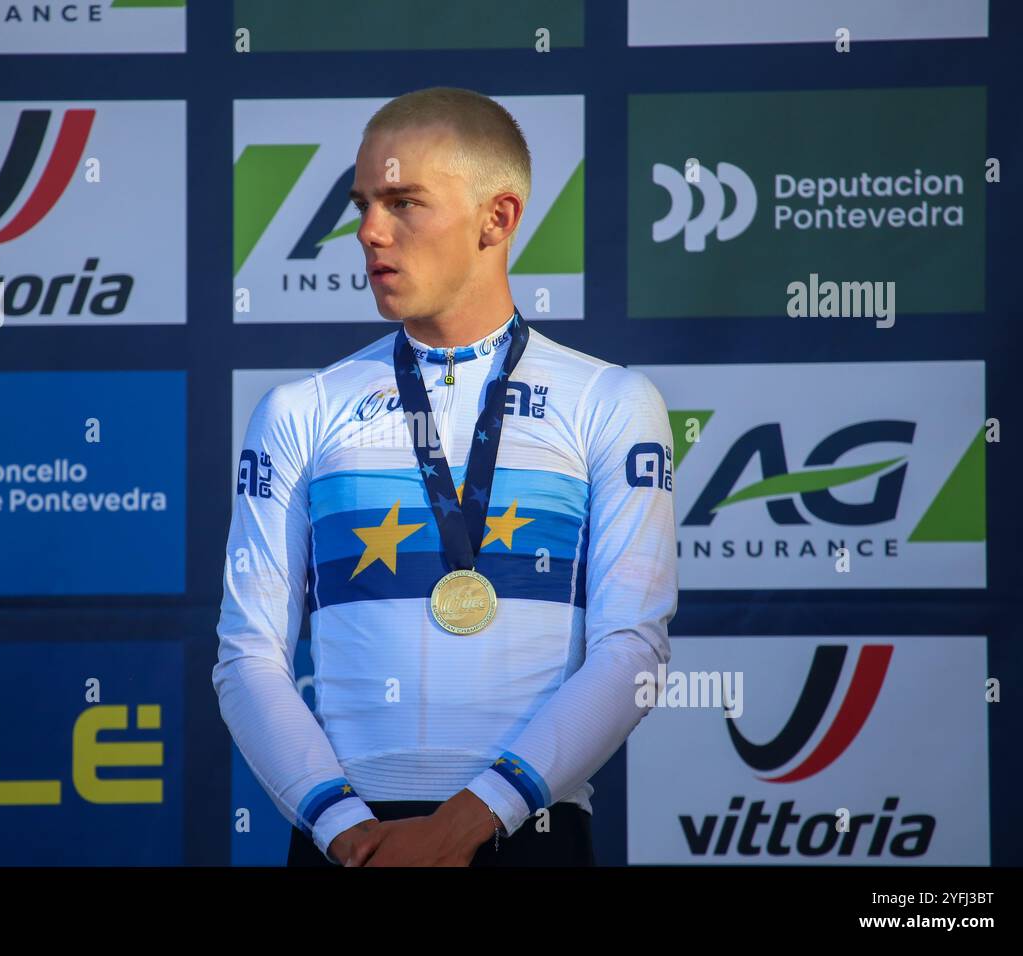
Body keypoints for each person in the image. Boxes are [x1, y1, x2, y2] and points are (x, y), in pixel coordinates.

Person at [213, 87, 677, 867]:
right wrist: (347, 832)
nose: (368, 231)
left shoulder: (611, 401)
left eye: (403, 202)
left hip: (528, 828)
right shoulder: (300, 409)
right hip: (346, 843)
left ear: (497, 218)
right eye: (363, 203)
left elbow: (632, 650)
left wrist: (466, 822)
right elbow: (247, 658)